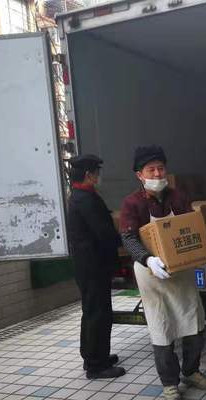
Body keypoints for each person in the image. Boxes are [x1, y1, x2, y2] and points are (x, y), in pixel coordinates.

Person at [119, 145, 206, 400]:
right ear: (139, 175)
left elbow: (192, 227)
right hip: (152, 275)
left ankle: (191, 371)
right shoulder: (132, 203)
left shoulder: (178, 197)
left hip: (182, 273)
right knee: (162, 329)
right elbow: (128, 238)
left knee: (194, 322)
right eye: (151, 169)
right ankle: (170, 384)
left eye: (161, 168)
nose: (157, 173)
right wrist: (147, 259)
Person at [67, 154, 125, 380]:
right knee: (98, 313)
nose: (99, 176)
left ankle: (92, 356)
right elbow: (104, 232)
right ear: (89, 174)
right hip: (93, 267)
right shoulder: (85, 199)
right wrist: (124, 241)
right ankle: (96, 366)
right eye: (97, 172)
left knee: (92, 311)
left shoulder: (81, 195)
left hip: (89, 266)